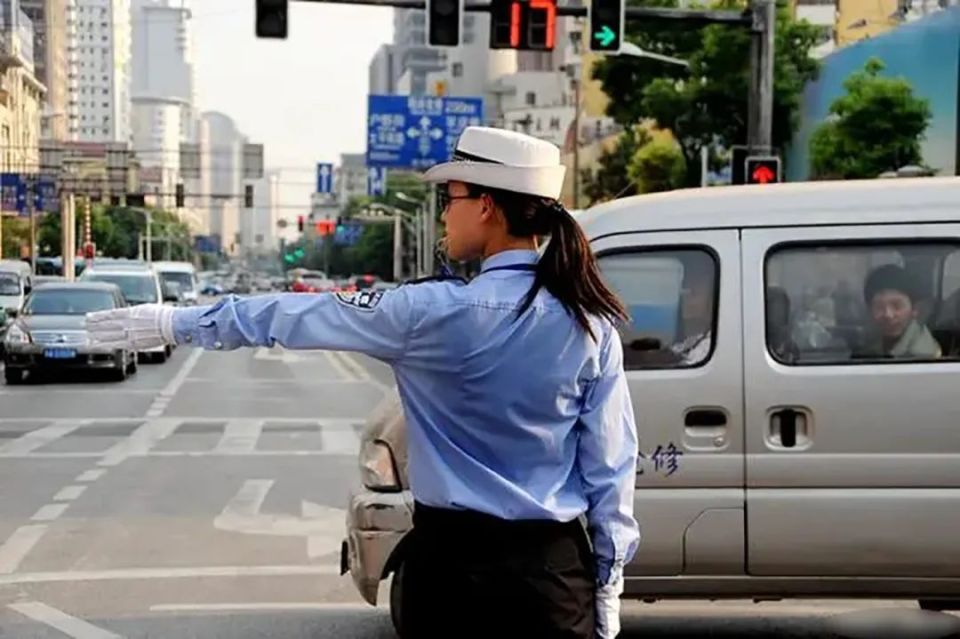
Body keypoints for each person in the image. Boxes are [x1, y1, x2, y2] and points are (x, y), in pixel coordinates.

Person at [85, 127, 640, 639]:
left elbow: (292, 316)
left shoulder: (425, 312)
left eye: (451, 199)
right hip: (552, 579)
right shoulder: (591, 323)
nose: (445, 215)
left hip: (448, 577)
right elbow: (610, 467)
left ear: (488, 206)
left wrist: (172, 323)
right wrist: (608, 584)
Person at [860, 263, 941, 359]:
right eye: (879, 307)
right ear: (869, 310)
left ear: (915, 309)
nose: (888, 314)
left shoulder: (920, 356)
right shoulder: (877, 341)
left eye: (897, 306)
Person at [669, 256, 714, 365]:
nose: (686, 293)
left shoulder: (711, 346)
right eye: (685, 284)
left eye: (696, 287)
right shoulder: (694, 339)